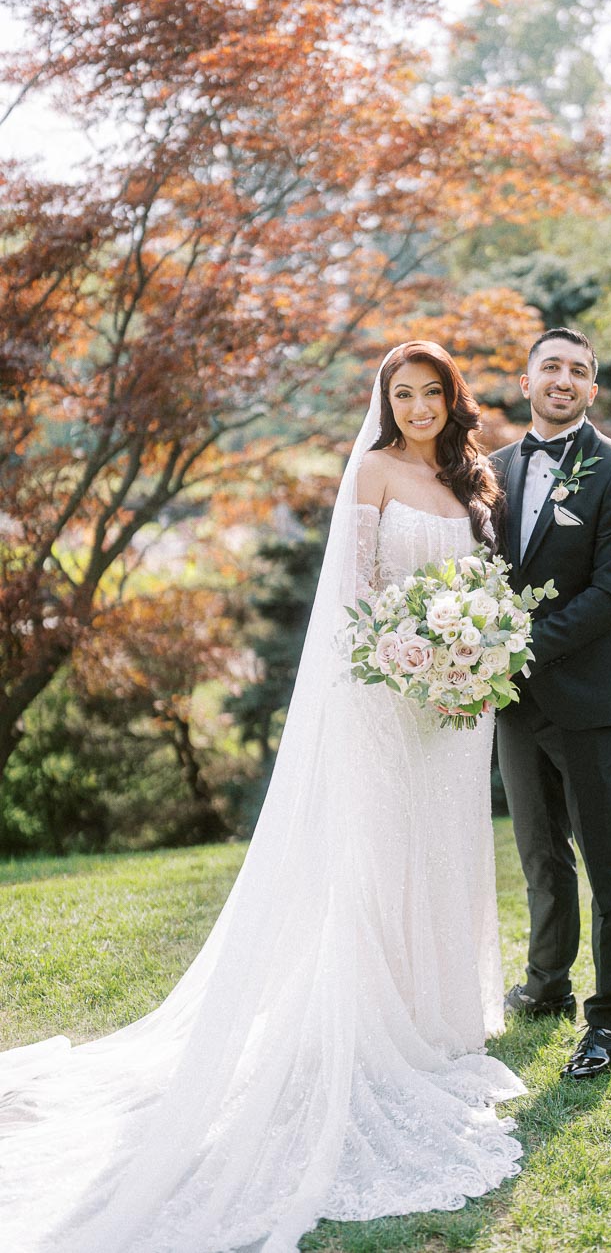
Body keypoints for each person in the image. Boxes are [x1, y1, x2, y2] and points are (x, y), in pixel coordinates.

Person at [0, 342, 524, 1253]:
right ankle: (373, 1014)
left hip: (455, 707)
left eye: (430, 392)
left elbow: (485, 587)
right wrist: (410, 651)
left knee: (446, 846)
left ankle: (443, 1012)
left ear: (452, 397)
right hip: (382, 692)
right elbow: (356, 599)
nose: (415, 407)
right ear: (385, 401)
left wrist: (471, 654)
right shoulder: (371, 471)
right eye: (400, 393)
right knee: (380, 855)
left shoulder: (475, 482)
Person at [490, 327, 611, 1082]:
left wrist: (518, 649)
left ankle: (607, 1021)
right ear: (525, 382)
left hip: (592, 699)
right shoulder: (488, 473)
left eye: (579, 372)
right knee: (539, 856)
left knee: (606, 862)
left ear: (592, 391)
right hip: (516, 704)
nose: (564, 379)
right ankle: (547, 985)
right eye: (550, 367)